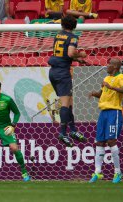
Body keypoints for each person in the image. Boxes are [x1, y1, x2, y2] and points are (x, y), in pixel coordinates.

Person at [89, 58, 123, 183]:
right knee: (100, 142)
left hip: (114, 112)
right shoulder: (106, 79)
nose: (107, 66)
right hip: (103, 113)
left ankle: (118, 173)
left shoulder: (121, 77)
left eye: (109, 64)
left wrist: (112, 87)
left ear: (115, 67)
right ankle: (97, 172)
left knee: (111, 140)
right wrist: (94, 93)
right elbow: (102, 94)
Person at [48, 15, 87, 147]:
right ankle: (63, 133)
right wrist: (80, 54)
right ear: (74, 26)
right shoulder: (73, 37)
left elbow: (63, 54)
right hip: (62, 73)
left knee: (69, 103)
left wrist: (77, 60)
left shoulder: (58, 35)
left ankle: (73, 130)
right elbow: (70, 53)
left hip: (53, 72)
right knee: (65, 104)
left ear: (62, 25)